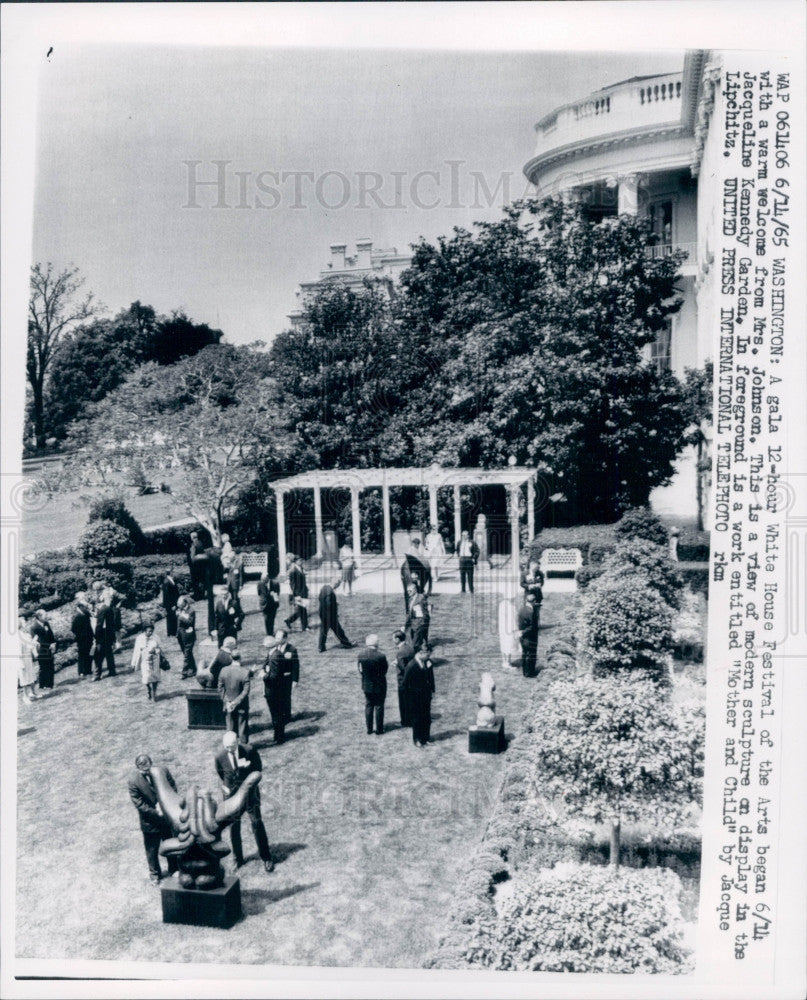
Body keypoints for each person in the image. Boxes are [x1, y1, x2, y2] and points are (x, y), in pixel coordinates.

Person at [214, 732, 274, 873]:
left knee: (257, 823)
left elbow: (258, 769)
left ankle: (266, 857)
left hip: (250, 794)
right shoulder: (219, 756)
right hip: (232, 796)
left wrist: (246, 766)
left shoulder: (249, 750)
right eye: (227, 747)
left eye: (233, 746)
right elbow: (221, 774)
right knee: (234, 827)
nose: (230, 749)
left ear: (238, 742)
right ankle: (238, 858)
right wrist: (226, 788)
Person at [128, 753, 179, 886]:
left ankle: (173, 868)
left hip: (166, 820)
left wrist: (165, 805)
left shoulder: (162, 771)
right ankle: (155, 875)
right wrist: (157, 812)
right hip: (149, 822)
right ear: (138, 768)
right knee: (151, 849)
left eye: (148, 767)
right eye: (143, 770)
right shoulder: (133, 781)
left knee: (170, 844)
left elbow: (172, 787)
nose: (147, 771)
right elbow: (140, 805)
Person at [262, 628, 299, 744]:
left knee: (282, 704)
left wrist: (295, 680)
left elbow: (295, 665)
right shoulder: (275, 651)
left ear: (285, 638)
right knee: (279, 707)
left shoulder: (291, 649)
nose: (277, 640)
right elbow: (268, 663)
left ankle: (280, 732)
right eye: (276, 638)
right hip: (278, 681)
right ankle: (282, 724)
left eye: (279, 638)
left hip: (283, 680)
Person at [403, 646, 435, 748]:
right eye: (427, 655)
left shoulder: (427, 662)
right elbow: (404, 684)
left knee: (426, 717)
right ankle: (417, 739)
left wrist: (432, 690)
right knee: (417, 718)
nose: (428, 657)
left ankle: (426, 738)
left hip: (426, 695)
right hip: (415, 697)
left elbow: (431, 677)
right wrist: (408, 699)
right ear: (421, 653)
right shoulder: (411, 665)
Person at [358, 634, 388, 736]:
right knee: (379, 706)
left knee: (369, 705)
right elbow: (384, 670)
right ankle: (379, 729)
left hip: (366, 684)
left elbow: (360, 670)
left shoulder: (361, 655)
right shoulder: (381, 656)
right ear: (377, 643)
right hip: (379, 684)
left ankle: (369, 729)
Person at [218, 650, 251, 742]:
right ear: (240, 658)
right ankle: (244, 749)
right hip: (241, 705)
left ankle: (231, 747)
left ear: (231, 658)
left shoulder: (223, 670)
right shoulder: (245, 672)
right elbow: (246, 691)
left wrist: (228, 702)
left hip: (228, 705)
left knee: (230, 729)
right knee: (242, 729)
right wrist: (235, 702)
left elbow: (220, 689)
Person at [317, 580, 354, 653]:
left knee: (323, 631)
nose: (337, 588)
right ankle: (347, 644)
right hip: (330, 616)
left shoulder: (324, 587)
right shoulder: (330, 592)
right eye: (337, 586)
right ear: (336, 584)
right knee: (338, 631)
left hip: (322, 614)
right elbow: (328, 604)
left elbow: (320, 599)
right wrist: (334, 608)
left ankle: (321, 648)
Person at [132, 620, 164, 702]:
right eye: (148, 631)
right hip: (145, 661)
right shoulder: (139, 638)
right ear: (144, 630)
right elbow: (136, 651)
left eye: (151, 631)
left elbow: (160, 648)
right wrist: (134, 662)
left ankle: (154, 693)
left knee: (155, 677)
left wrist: (156, 651)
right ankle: (149, 689)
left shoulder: (156, 637)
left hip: (155, 660)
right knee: (146, 678)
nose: (150, 633)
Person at [91, 595, 117, 680]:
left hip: (102, 637)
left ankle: (97, 675)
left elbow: (99, 625)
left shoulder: (102, 610)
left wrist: (96, 638)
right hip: (109, 635)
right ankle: (112, 671)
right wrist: (113, 638)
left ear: (98, 603)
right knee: (109, 654)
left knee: (98, 656)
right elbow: (112, 624)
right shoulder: (109, 609)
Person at [392, 629, 414, 727]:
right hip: (412, 680)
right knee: (409, 700)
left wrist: (397, 664)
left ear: (397, 639)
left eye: (393, 638)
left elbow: (404, 667)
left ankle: (405, 721)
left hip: (403, 680)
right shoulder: (409, 647)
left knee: (403, 702)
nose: (392, 640)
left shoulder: (400, 652)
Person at [30, 608, 56, 691]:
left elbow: (51, 634)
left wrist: (53, 643)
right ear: (39, 616)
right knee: (43, 667)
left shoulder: (46, 623)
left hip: (49, 648)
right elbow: (35, 640)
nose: (46, 616)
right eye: (45, 615)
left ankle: (50, 684)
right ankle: (42, 685)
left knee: (51, 666)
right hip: (41, 650)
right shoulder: (34, 627)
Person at [70, 593, 94, 678]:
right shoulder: (77, 616)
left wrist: (92, 635)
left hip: (89, 637)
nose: (85, 608)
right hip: (81, 639)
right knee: (82, 655)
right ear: (80, 607)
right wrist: (80, 635)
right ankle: (81, 671)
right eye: (84, 607)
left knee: (89, 654)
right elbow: (73, 629)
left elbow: (90, 624)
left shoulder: (86, 614)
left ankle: (88, 670)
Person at [284, 555, 310, 632]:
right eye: (299, 560)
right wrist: (296, 595)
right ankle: (302, 625)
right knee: (301, 610)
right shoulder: (293, 571)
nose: (301, 562)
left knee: (302, 610)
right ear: (295, 562)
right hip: (298, 593)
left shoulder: (301, 568)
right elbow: (292, 584)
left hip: (304, 592)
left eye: (301, 560)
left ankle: (303, 626)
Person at [517, 592, 539, 678]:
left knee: (524, 653)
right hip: (530, 636)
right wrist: (524, 632)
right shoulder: (531, 612)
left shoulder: (522, 609)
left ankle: (525, 672)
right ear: (533, 602)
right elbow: (532, 627)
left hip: (523, 636)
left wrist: (521, 632)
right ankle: (530, 672)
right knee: (531, 654)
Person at [18, 615, 39, 702]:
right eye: (23, 622)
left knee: (31, 675)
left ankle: (33, 693)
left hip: (28, 658)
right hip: (21, 658)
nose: (25, 623)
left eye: (25, 622)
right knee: (24, 677)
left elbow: (29, 646)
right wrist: (20, 662)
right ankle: (25, 696)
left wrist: (34, 642)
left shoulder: (26, 634)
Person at [405, 583, 430, 652]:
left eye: (410, 591)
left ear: (415, 590)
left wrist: (422, 625)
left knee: (415, 645)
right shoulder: (410, 599)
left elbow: (425, 614)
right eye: (408, 591)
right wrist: (406, 625)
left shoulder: (421, 598)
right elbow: (410, 613)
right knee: (417, 643)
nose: (408, 593)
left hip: (419, 624)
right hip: (413, 624)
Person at [520, 558, 545, 628]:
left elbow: (542, 582)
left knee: (536, 610)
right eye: (536, 567)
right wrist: (529, 586)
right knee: (529, 610)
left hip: (538, 595)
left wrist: (539, 584)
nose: (538, 568)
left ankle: (536, 625)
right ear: (531, 565)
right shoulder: (524, 573)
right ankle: (528, 625)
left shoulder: (540, 573)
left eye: (538, 567)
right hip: (529, 595)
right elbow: (522, 584)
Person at [176, 595, 197, 678]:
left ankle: (184, 672)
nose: (179, 606)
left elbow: (190, 622)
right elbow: (179, 624)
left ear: (185, 603)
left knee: (187, 654)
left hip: (189, 635)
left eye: (180, 604)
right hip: (180, 635)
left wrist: (180, 617)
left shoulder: (191, 611)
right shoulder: (180, 610)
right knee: (187, 653)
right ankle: (193, 668)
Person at [498, 596, 521, 670]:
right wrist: (516, 631)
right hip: (509, 629)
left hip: (502, 628)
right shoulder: (510, 607)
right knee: (508, 646)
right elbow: (512, 621)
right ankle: (507, 663)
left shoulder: (502, 604)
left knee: (503, 645)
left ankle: (504, 661)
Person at [457, 529, 480, 594]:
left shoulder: (472, 542)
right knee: (462, 575)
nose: (464, 536)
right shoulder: (459, 542)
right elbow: (457, 550)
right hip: (462, 560)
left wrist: (474, 558)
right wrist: (459, 556)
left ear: (468, 536)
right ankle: (463, 590)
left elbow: (477, 551)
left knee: (470, 575)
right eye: (462, 535)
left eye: (465, 535)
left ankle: (471, 589)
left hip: (469, 559)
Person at [187, 531, 207, 600]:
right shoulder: (200, 543)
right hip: (202, 566)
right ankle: (202, 594)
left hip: (195, 567)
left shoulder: (193, 545)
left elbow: (192, 557)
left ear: (192, 537)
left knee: (195, 581)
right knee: (202, 580)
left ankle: (197, 596)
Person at [161, 570, 180, 638]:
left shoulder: (170, 580)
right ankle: (171, 632)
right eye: (173, 572)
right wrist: (173, 604)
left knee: (172, 617)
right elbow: (167, 595)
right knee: (170, 617)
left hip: (171, 604)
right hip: (170, 604)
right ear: (171, 573)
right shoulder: (167, 581)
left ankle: (172, 631)